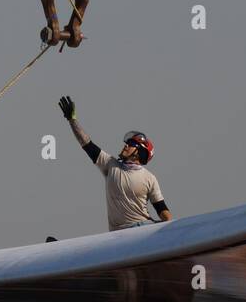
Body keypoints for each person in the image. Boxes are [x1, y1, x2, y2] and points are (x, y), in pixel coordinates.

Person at [58, 96, 171, 231]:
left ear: (139, 152)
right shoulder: (110, 164)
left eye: (131, 144)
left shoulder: (149, 178)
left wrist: (170, 228)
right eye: (127, 143)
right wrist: (72, 120)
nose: (125, 146)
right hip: (117, 233)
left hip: (143, 229)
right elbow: (86, 144)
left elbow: (162, 210)